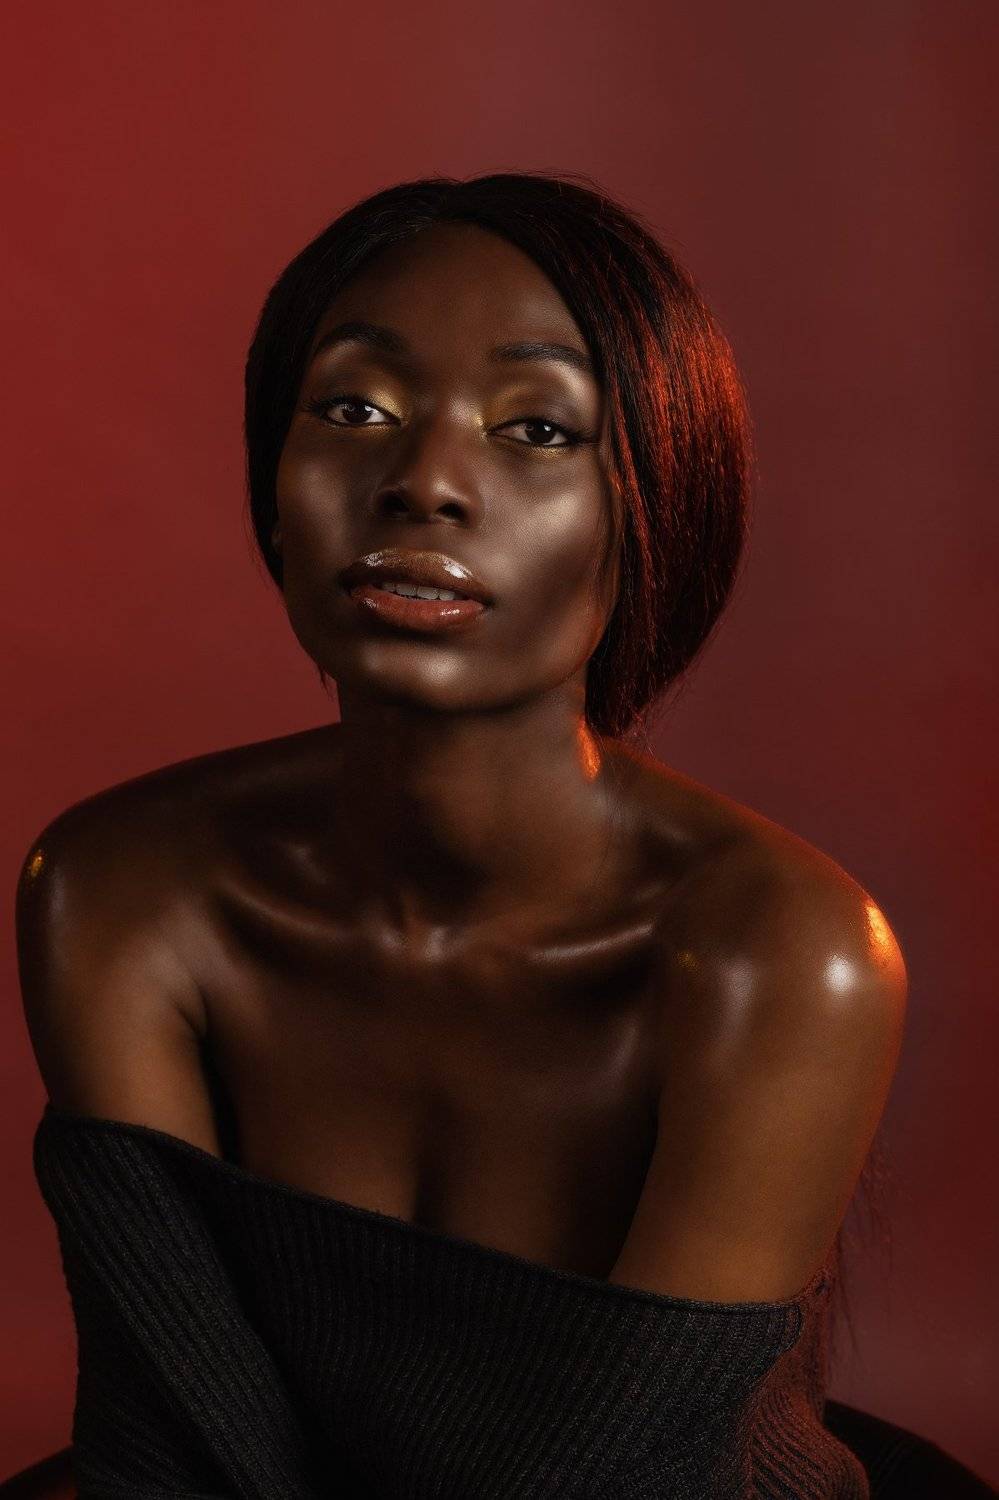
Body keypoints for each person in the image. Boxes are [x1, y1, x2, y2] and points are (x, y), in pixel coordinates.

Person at [11, 171, 994, 1499]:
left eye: (537, 429)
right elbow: (179, 1440)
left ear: (657, 508)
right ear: (274, 482)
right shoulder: (119, 892)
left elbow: (637, 1476)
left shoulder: (784, 953)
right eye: (353, 409)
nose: (422, 482)